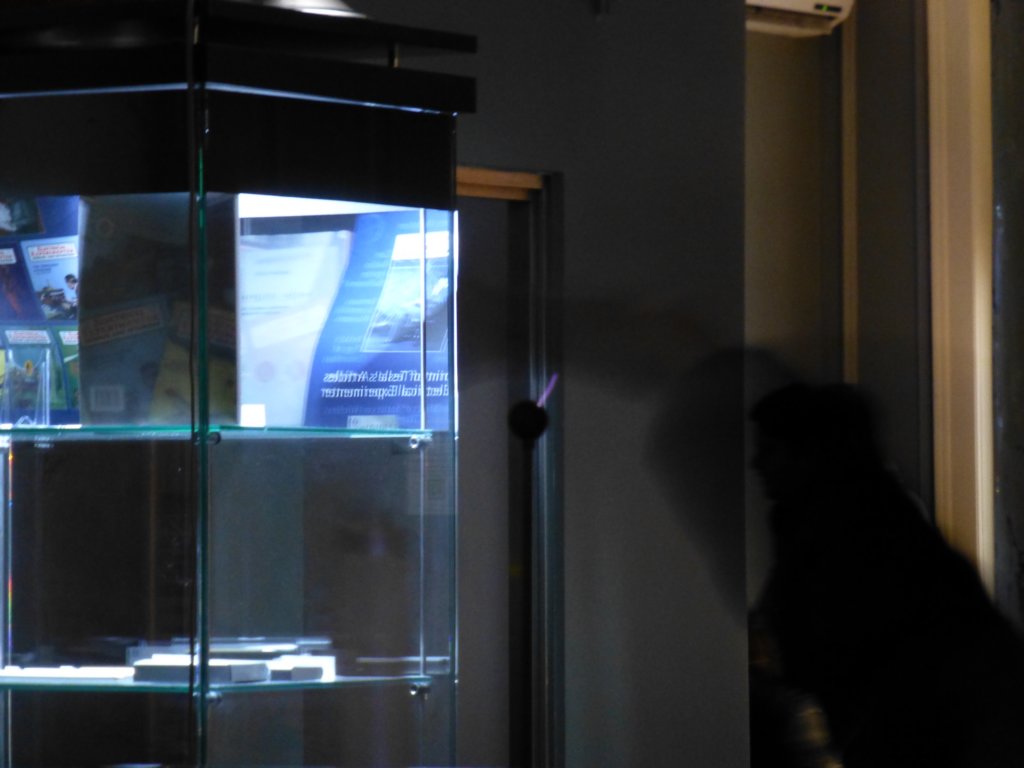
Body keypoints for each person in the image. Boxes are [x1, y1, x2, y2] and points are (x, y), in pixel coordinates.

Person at [749, 383, 1024, 768]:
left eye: (771, 449)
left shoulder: (851, 538)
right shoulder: (872, 523)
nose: (756, 463)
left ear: (810, 454)